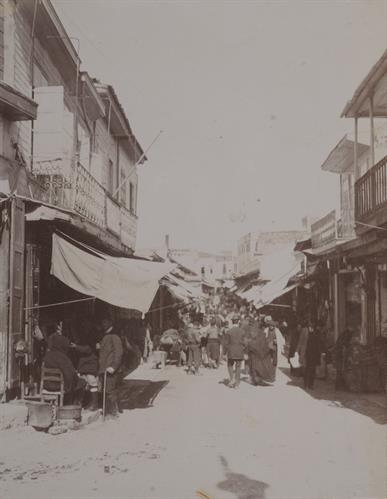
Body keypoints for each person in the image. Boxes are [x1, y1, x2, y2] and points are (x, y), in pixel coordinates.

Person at [43, 329, 86, 405]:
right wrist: (76, 377)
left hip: (46, 385)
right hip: (58, 386)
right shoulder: (63, 358)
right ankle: (72, 404)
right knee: (81, 382)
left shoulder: (47, 356)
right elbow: (69, 374)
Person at [98, 318, 123, 418]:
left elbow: (119, 352)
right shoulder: (105, 335)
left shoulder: (114, 335)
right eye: (102, 322)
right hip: (104, 368)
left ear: (110, 322)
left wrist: (114, 366)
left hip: (110, 368)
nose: (103, 324)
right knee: (106, 390)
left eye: (105, 322)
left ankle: (113, 413)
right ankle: (108, 412)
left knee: (110, 390)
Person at [70, 335, 99, 411]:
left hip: (90, 367)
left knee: (92, 384)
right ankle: (79, 403)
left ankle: (94, 404)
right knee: (82, 384)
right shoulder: (81, 340)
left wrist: (76, 346)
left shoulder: (89, 340)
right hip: (84, 367)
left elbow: (88, 349)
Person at [224, 316, 245, 388]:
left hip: (231, 351)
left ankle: (232, 378)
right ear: (238, 322)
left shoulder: (229, 331)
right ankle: (237, 383)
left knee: (230, 365)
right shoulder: (242, 331)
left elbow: (226, 343)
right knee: (238, 367)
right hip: (239, 351)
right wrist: (244, 350)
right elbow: (245, 343)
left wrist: (224, 353)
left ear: (232, 322)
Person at [304, 324, 322, 390]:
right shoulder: (315, 336)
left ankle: (307, 385)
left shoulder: (310, 336)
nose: (309, 329)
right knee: (311, 371)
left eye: (310, 328)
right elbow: (318, 347)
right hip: (312, 356)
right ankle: (310, 385)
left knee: (308, 370)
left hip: (310, 356)